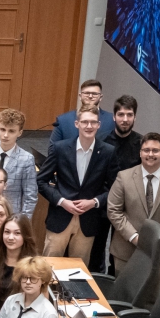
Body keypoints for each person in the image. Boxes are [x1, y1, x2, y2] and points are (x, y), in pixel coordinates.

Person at [38, 105, 118, 267]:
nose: (89, 126)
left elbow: (115, 189)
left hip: (88, 221)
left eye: (93, 122)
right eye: (85, 122)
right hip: (60, 217)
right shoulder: (60, 149)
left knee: (78, 270)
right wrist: (61, 201)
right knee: (48, 267)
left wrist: (94, 202)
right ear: (77, 124)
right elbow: (41, 181)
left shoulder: (108, 152)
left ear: (99, 125)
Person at [107, 132, 160, 274]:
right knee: (124, 289)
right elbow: (113, 210)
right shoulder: (124, 177)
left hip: (159, 253)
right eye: (146, 150)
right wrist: (134, 237)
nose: (150, 154)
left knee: (155, 289)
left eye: (155, 150)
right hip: (126, 251)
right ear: (140, 153)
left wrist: (158, 237)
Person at [0, 109, 37, 217]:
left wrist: (23, 222)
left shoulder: (26, 159)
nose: (5, 135)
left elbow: (30, 196)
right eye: (2, 129)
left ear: (20, 133)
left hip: (11, 215)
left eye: (11, 131)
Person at [49, 79, 114, 142]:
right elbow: (53, 147)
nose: (90, 96)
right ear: (80, 96)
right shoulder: (63, 120)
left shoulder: (112, 120)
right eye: (87, 93)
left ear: (101, 97)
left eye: (94, 94)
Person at [105, 95, 141, 171]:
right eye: (121, 114)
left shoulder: (142, 144)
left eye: (129, 115)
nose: (125, 119)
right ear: (114, 117)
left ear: (135, 117)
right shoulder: (102, 141)